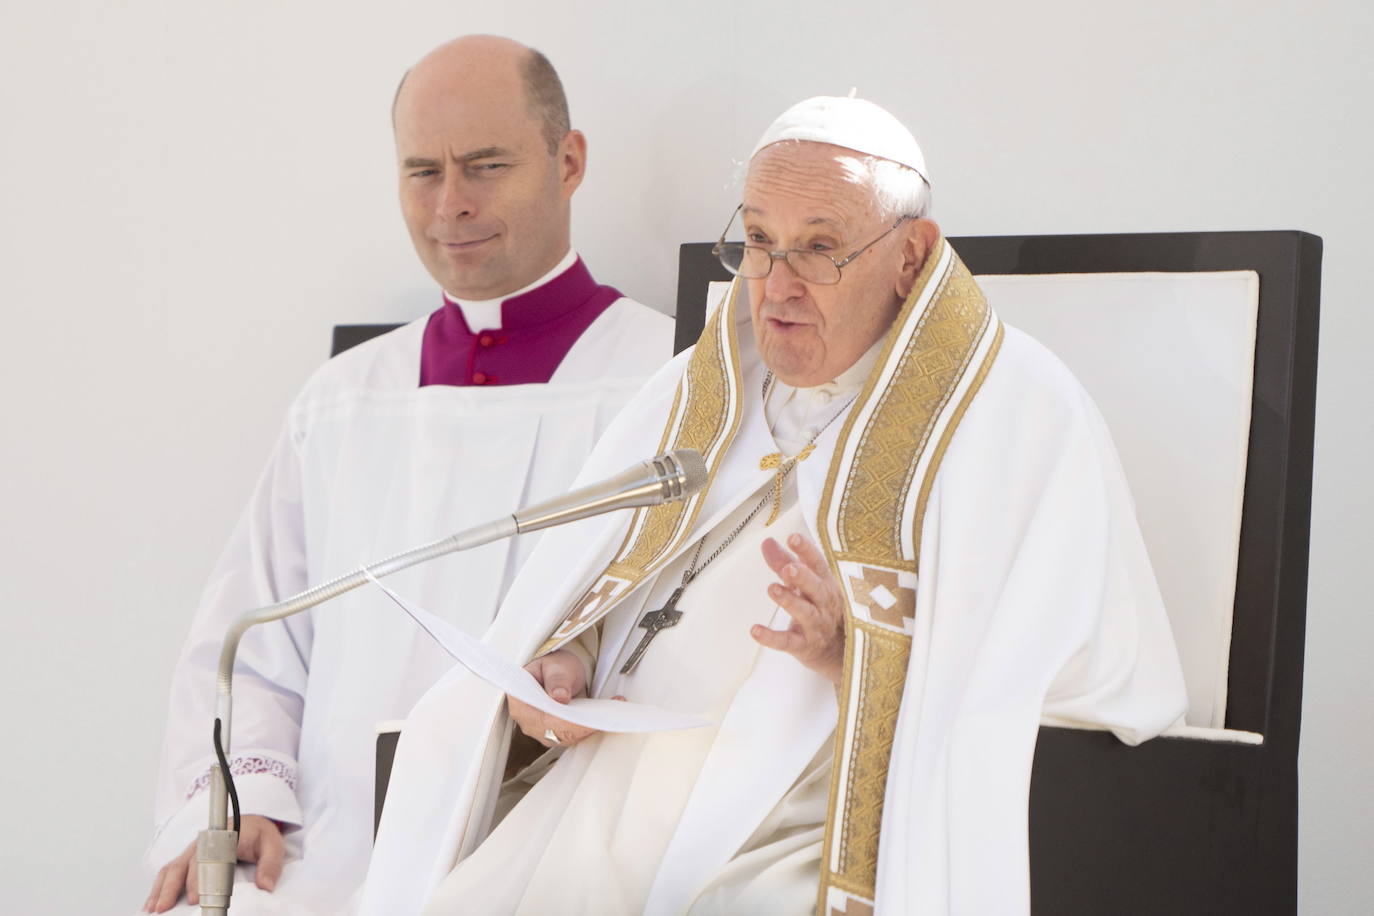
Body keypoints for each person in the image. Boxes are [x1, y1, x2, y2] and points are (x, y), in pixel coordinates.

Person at [362, 96, 1188, 916]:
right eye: (758, 242)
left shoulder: (1011, 409)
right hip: (618, 790)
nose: (776, 285)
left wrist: (855, 649)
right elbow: (604, 575)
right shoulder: (698, 386)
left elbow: (1087, 675)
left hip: (814, 813)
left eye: (819, 248)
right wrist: (570, 659)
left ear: (911, 257)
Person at [140, 35, 673, 914]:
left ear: (568, 161)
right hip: (323, 854)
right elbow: (249, 639)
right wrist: (244, 800)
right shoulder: (344, 401)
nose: (451, 204)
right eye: (423, 171)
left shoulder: (666, 381)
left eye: (486, 165)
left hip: (542, 856)